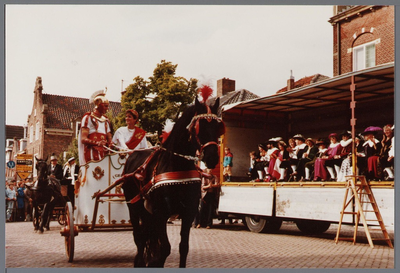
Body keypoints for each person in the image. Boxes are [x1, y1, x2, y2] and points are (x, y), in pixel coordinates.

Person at [78, 90, 113, 165]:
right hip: (92, 153)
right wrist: (97, 143)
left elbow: (109, 138)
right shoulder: (88, 118)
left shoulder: (106, 121)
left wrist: (110, 144)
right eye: (105, 106)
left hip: (104, 153)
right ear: (99, 105)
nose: (107, 108)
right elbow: (83, 139)